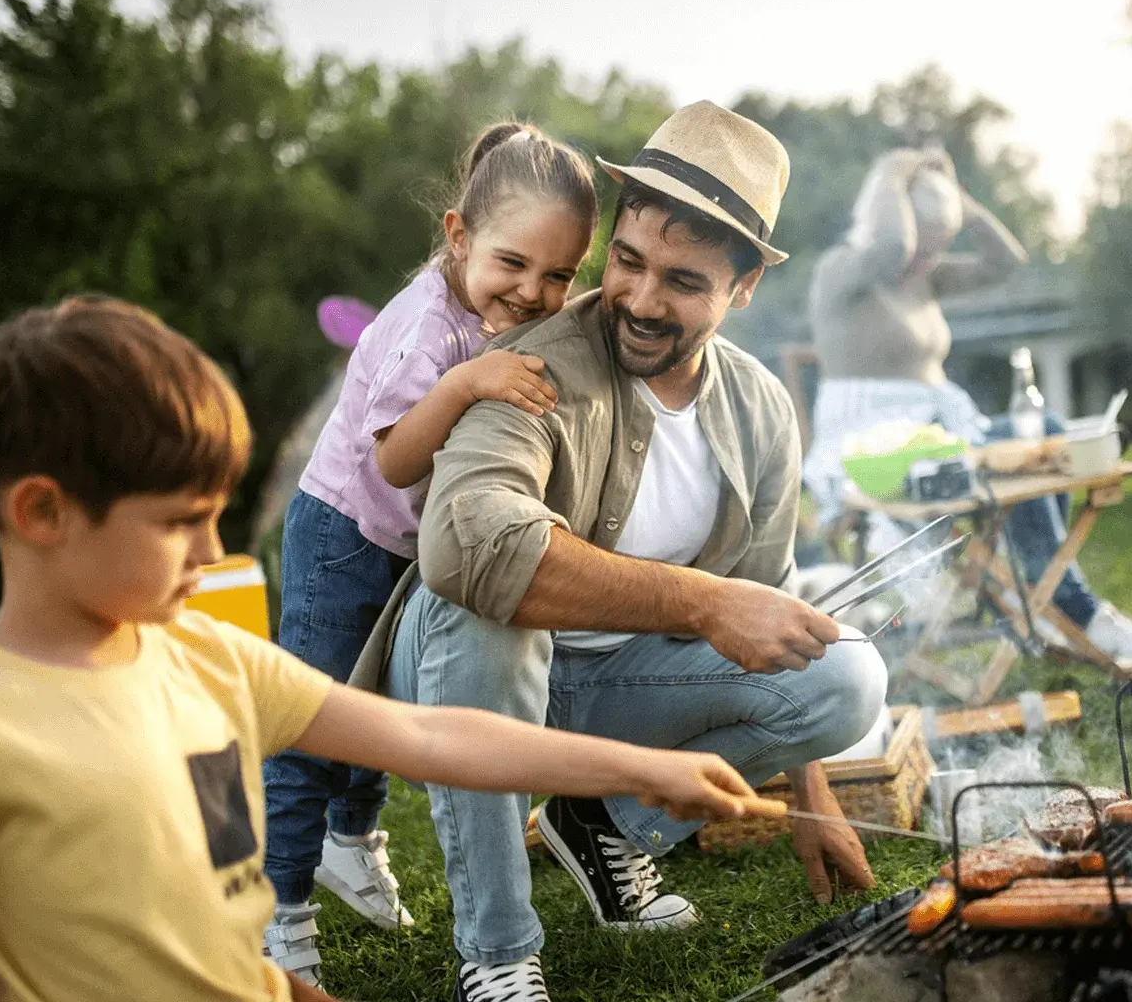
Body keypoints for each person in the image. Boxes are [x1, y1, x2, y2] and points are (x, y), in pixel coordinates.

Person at [0, 297, 775, 1002]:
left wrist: (643, 773)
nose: (211, 548)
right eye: (180, 522)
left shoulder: (211, 660)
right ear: (43, 513)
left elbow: (432, 737)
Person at [349, 101, 889, 1002]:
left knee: (849, 677)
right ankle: (497, 951)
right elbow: (468, 543)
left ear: (743, 286)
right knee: (486, 608)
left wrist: (812, 793)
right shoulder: (532, 362)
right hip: (465, 678)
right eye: (627, 262)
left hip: (620, 691)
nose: (639, 300)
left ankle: (603, 823)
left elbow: (770, 604)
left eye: (682, 281)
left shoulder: (760, 411)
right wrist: (703, 603)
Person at [259, 123, 598, 984]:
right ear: (459, 236)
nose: (532, 290)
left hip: (409, 542)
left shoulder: (493, 308)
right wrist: (467, 384)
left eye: (559, 275)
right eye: (513, 264)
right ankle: (278, 914)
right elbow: (395, 460)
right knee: (316, 718)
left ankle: (349, 843)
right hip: (343, 533)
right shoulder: (425, 330)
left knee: (371, 705)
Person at [803, 148, 1132, 662]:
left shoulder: (926, 276)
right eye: (924, 241)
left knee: (1041, 429)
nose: (928, 256)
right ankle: (1068, 609)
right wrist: (895, 168)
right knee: (1012, 443)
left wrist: (960, 199)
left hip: (941, 431)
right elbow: (893, 247)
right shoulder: (843, 270)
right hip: (873, 444)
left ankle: (1042, 598)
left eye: (939, 244)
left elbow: (1008, 260)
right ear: (893, 218)